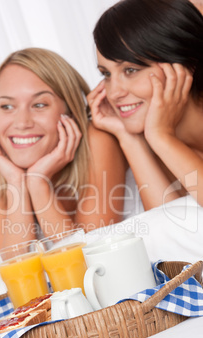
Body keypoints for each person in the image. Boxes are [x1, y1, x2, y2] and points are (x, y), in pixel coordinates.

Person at [0, 47, 126, 274]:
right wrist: (17, 182)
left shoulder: (97, 142)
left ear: (69, 111)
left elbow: (94, 268)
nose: (22, 122)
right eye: (7, 106)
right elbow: (7, 280)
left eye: (39, 105)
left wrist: (38, 184)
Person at [87, 0, 203, 212]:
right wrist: (130, 139)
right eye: (106, 74)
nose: (114, 93)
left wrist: (162, 137)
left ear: (185, 65)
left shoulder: (161, 139)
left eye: (130, 70)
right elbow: (170, 232)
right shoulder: (153, 141)